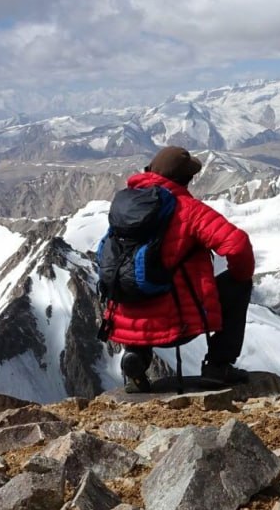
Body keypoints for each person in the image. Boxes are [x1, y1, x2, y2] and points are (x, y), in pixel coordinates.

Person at [109, 146, 255, 390]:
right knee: (240, 283)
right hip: (178, 325)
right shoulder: (189, 210)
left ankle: (137, 356)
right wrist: (239, 277)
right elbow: (237, 245)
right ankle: (218, 366)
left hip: (131, 326)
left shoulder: (123, 208)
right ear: (186, 179)